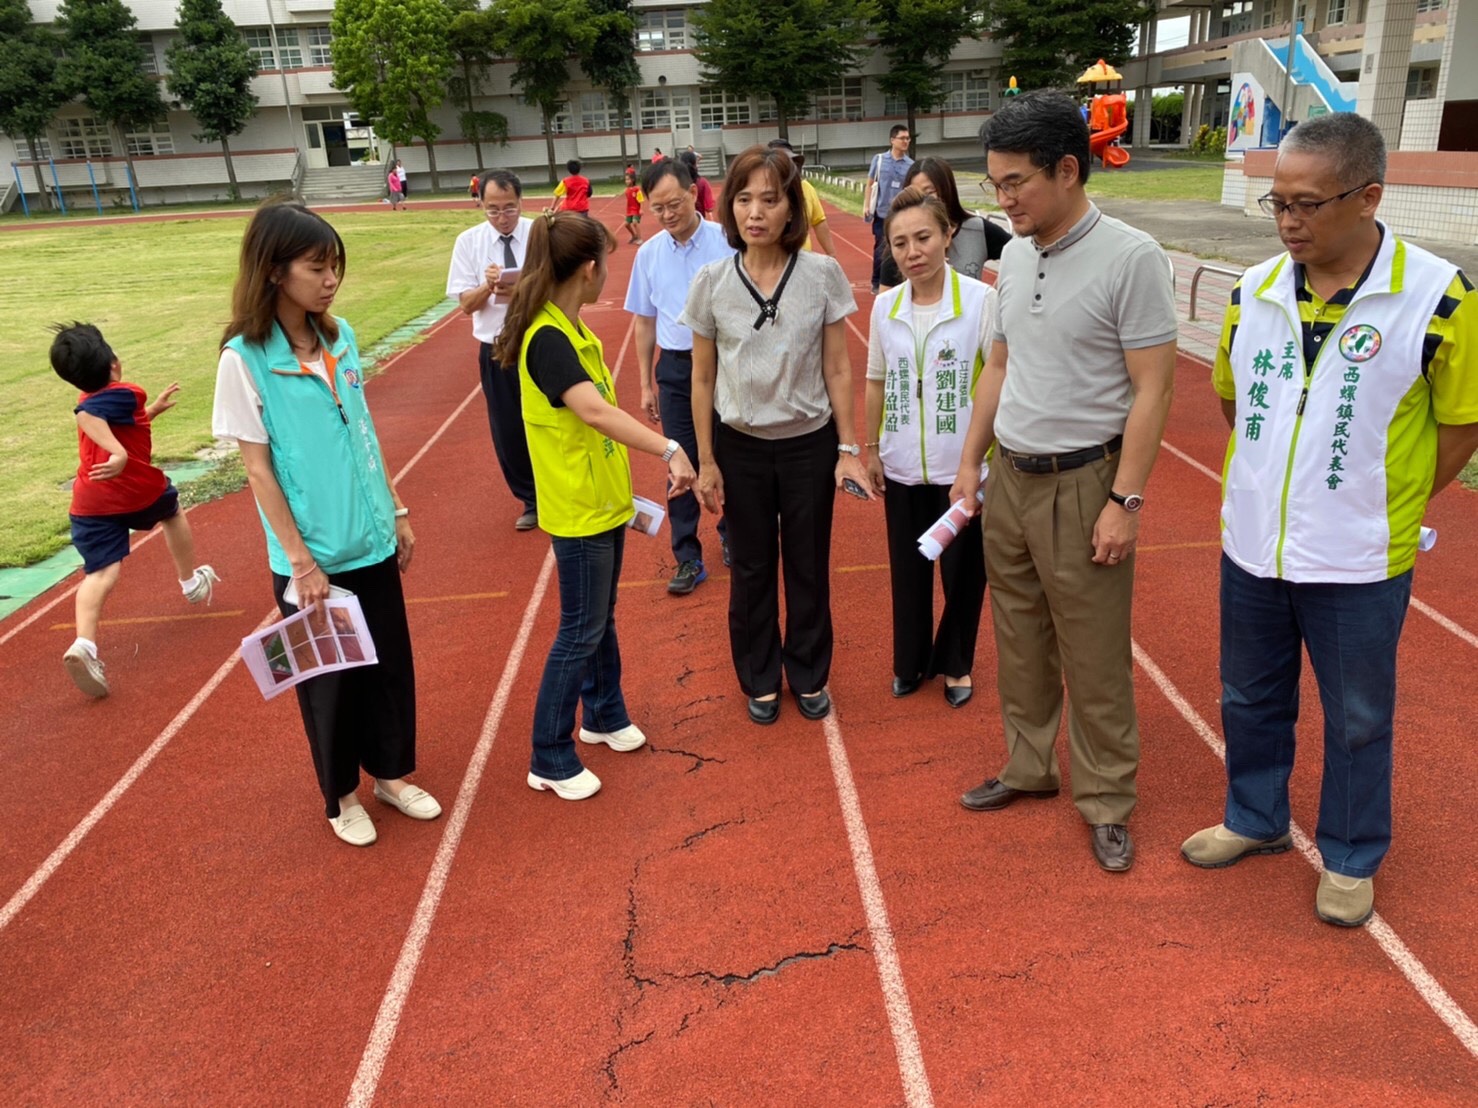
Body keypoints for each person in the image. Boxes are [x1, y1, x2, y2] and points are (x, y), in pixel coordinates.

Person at [1180, 114, 1478, 927]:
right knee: (1249, 695)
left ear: (1369, 196)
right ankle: (1254, 817)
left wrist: (1389, 501)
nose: (1287, 222)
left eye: (1307, 204)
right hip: (1253, 548)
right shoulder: (1256, 291)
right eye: (1277, 203)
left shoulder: (1439, 298)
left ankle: (1350, 854)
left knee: (1356, 715)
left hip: (1358, 560)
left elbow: (1461, 423)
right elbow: (1232, 399)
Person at [948, 91, 1177, 873]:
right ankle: (1028, 766)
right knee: (1018, 639)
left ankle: (1107, 799)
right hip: (1009, 476)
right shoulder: (1011, 252)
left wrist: (1126, 500)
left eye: (1016, 183)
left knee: (1095, 652)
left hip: (1086, 483)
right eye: (995, 183)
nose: (1003, 199)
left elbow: (1154, 389)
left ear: (1069, 170)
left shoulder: (1131, 258)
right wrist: (968, 464)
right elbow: (999, 366)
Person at [212, 201, 440, 846]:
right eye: (317, 266)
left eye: (334, 265)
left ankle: (391, 777)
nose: (330, 278)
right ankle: (341, 798)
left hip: (369, 538)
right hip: (312, 560)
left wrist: (394, 510)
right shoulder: (244, 359)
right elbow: (256, 469)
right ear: (274, 270)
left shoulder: (341, 339)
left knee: (389, 666)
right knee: (329, 684)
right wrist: (300, 562)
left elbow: (364, 434)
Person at [492, 212, 697, 800]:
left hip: (602, 501)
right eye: (607, 262)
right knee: (578, 630)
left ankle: (604, 714)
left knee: (599, 619)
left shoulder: (571, 328)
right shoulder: (548, 338)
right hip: (578, 508)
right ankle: (549, 754)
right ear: (589, 269)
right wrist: (670, 447)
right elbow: (596, 412)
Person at [681, 144, 873, 725]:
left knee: (809, 565)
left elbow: (839, 367)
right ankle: (760, 678)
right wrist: (707, 461)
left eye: (770, 198)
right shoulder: (712, 281)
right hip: (739, 448)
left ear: (793, 208)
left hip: (809, 444)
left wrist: (847, 449)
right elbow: (703, 376)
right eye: (743, 199)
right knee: (753, 569)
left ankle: (809, 673)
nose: (755, 211)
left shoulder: (821, 275)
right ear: (729, 208)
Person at [865, 186, 995, 708]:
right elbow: (876, 379)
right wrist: (871, 448)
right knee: (908, 571)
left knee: (965, 574)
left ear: (948, 236)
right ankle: (910, 662)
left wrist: (980, 459)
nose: (911, 252)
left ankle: (957, 664)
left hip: (962, 469)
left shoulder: (981, 303)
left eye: (923, 237)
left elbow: (997, 381)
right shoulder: (884, 307)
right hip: (901, 466)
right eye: (899, 243)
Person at [49, 323, 219, 698]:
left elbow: (119, 421)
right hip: (135, 492)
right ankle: (190, 583)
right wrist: (119, 453)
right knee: (172, 511)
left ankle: (84, 646)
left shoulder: (105, 397)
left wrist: (151, 412)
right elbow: (85, 416)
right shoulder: (124, 392)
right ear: (114, 365)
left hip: (90, 503)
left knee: (101, 572)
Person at [626, 156, 736, 595]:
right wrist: (643, 383)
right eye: (658, 208)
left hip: (727, 363)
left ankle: (734, 534)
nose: (668, 214)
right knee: (680, 460)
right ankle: (687, 556)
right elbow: (644, 322)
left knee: (731, 454)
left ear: (694, 193)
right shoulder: (649, 255)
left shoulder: (727, 243)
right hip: (675, 368)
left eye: (675, 203)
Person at [446, 170, 539, 530]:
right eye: (493, 210)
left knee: (552, 416)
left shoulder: (538, 234)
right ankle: (530, 499)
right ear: (481, 205)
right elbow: (466, 305)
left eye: (510, 209)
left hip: (537, 340)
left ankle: (557, 489)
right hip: (497, 347)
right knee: (508, 426)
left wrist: (526, 286)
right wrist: (488, 286)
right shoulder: (468, 243)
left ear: (521, 202)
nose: (502, 218)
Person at [877, 157, 1011, 289]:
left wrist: (995, 294)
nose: (921, 201)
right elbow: (885, 300)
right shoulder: (902, 243)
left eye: (929, 192)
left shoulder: (976, 229)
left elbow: (1022, 254)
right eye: (914, 193)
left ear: (947, 236)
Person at [864, 124, 913, 294]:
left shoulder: (910, 165)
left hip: (900, 215)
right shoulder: (879, 160)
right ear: (893, 140)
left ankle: (900, 279)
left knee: (899, 247)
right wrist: (866, 206)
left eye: (908, 138)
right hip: (881, 213)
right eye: (902, 138)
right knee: (881, 248)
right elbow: (870, 184)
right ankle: (877, 281)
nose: (906, 141)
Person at [767, 138, 836, 256]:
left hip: (802, 260)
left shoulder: (806, 188)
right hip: (771, 260)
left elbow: (819, 221)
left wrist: (831, 255)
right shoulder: (763, 191)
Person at [678, 151, 715, 220]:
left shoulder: (675, 183)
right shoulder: (703, 182)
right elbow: (709, 208)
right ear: (695, 164)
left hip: (680, 222)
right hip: (698, 221)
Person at [622, 167, 644, 244]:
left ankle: (640, 238)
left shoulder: (637, 189)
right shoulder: (627, 190)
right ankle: (634, 236)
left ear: (633, 180)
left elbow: (640, 200)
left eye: (628, 179)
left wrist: (641, 209)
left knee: (635, 222)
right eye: (626, 180)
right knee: (626, 224)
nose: (626, 181)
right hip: (629, 210)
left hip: (636, 210)